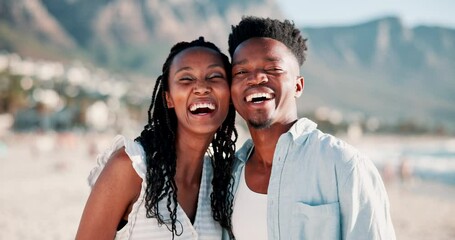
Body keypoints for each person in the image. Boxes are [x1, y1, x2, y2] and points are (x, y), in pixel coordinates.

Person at [225, 16, 396, 239]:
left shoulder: (344, 166)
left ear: (298, 85)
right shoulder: (229, 174)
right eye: (241, 72)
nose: (256, 77)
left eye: (273, 69)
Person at [76, 37, 237, 239]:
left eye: (214, 76)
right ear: (168, 98)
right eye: (186, 79)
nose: (201, 87)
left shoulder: (220, 180)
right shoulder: (131, 167)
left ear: (230, 95)